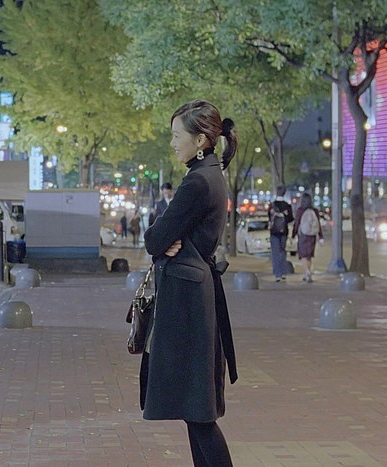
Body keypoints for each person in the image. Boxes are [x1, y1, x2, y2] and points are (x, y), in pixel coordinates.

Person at [142, 99, 238, 466]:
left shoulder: (197, 181)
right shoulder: (210, 174)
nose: (172, 143)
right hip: (194, 297)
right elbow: (163, 239)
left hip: (188, 305)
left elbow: (155, 239)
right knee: (195, 409)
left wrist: (163, 240)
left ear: (200, 141)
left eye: (176, 135)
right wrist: (166, 240)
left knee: (198, 412)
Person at [292, 192, 324, 282]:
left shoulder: (300, 210)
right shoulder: (315, 211)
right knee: (309, 256)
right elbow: (318, 224)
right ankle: (307, 274)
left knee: (303, 255)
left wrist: (293, 234)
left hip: (303, 235)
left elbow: (296, 223)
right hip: (312, 236)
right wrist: (321, 236)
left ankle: (307, 272)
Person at [267, 185, 294, 282]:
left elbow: (269, 218)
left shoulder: (272, 205)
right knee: (282, 251)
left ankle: (277, 274)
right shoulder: (287, 205)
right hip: (284, 231)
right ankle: (283, 273)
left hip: (274, 232)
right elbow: (290, 219)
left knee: (275, 253)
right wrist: (285, 215)